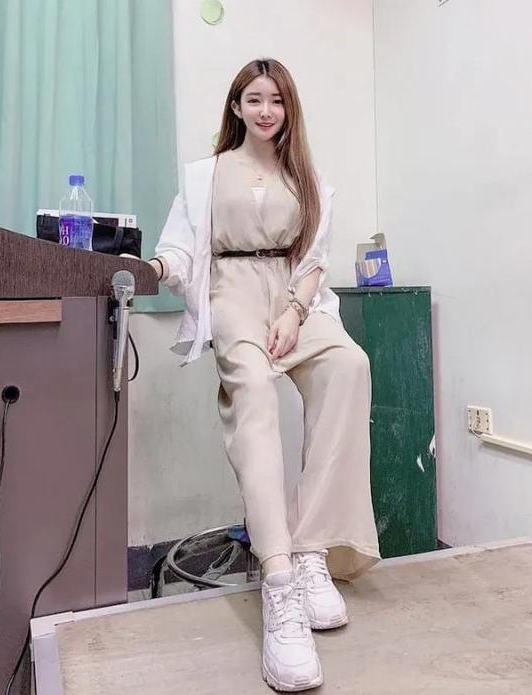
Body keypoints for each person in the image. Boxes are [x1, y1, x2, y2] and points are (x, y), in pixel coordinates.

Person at [148, 58, 380, 692]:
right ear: (236, 106)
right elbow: (180, 245)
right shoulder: (205, 175)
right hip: (232, 290)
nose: (266, 110)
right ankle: (279, 580)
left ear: (288, 108)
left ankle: (310, 551)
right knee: (251, 386)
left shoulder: (308, 176)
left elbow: (315, 257)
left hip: (293, 296)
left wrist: (295, 312)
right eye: (254, 99)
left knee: (348, 365)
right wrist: (161, 269)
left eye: (276, 100)